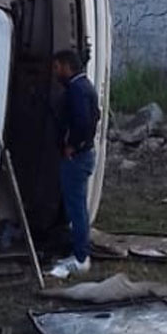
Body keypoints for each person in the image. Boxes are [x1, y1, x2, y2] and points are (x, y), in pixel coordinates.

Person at [47, 48, 100, 280]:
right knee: (77, 206)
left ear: (67, 66)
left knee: (76, 207)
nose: (55, 72)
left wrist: (72, 145)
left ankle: (80, 258)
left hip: (76, 158)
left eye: (57, 67)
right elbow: (95, 116)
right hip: (83, 155)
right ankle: (79, 254)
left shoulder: (76, 90)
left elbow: (82, 121)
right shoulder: (85, 86)